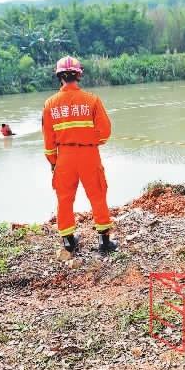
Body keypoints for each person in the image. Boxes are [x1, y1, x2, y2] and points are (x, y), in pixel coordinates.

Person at [42, 56, 117, 255]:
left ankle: (68, 242)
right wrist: (90, 141)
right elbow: (106, 132)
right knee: (97, 195)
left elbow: (48, 142)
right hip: (89, 155)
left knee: (64, 199)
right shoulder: (92, 100)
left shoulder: (50, 104)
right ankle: (104, 242)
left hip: (64, 157)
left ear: (59, 77)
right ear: (78, 75)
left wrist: (54, 162)